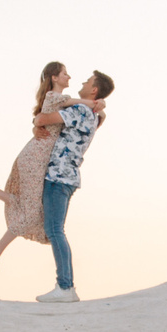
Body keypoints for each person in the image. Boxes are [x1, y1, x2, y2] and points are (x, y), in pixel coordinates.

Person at [0, 61, 75, 281]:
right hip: (35, 158)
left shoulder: (56, 101)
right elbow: (74, 104)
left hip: (37, 158)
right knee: (31, 214)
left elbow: (47, 116)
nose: (69, 77)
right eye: (64, 73)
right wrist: (95, 101)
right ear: (54, 77)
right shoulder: (55, 97)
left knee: (28, 208)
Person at [34, 69, 112, 303]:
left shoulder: (80, 110)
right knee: (56, 230)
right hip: (68, 177)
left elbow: (43, 119)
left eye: (88, 82)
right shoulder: (94, 115)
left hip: (58, 176)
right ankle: (65, 286)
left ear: (94, 90)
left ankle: (65, 286)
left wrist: (38, 120)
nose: (83, 82)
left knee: (55, 231)